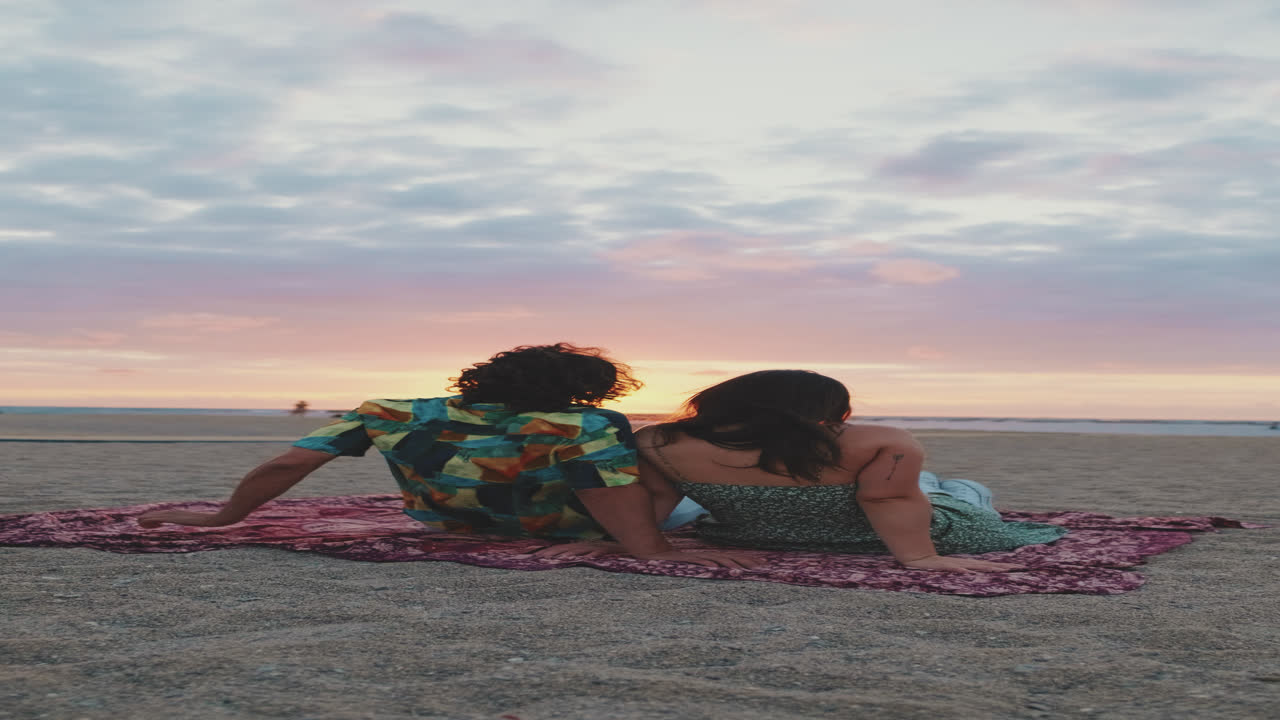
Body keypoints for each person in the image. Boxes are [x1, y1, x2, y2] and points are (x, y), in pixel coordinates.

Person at [137, 343, 759, 569]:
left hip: (448, 521)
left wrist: (224, 517)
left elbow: (287, 467)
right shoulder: (583, 422)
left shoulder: (388, 410)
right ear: (587, 389)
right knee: (659, 461)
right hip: (571, 525)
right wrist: (649, 549)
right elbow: (604, 488)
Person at [621, 370, 1067, 573]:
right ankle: (957, 487)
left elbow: (657, 499)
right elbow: (886, 499)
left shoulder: (657, 441)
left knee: (925, 485)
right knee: (965, 490)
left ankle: (935, 485)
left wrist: (628, 540)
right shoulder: (880, 441)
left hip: (752, 537)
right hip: (885, 536)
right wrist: (920, 558)